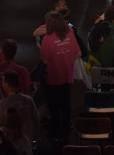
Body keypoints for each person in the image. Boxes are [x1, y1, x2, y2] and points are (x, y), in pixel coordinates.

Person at [40, 11, 80, 141]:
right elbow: (78, 53)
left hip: (54, 79)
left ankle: (57, 133)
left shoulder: (47, 40)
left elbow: (45, 61)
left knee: (54, 108)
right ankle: (66, 131)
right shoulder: (70, 33)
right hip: (67, 76)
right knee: (66, 105)